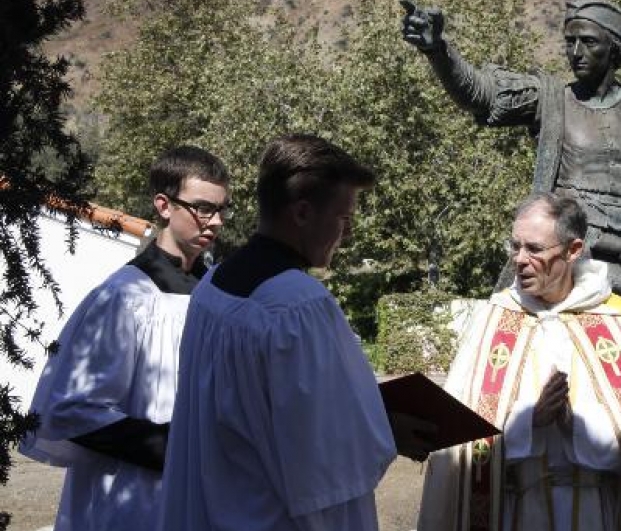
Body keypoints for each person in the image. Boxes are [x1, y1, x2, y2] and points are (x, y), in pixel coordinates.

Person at [401, 0, 621, 353]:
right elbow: (481, 94)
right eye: (569, 41)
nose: (575, 51)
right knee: (538, 373)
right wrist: (438, 50)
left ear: (615, 48)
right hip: (559, 264)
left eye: (588, 42)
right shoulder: (549, 98)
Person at [159, 134, 432, 531]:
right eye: (343, 218)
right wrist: (389, 429)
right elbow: (322, 461)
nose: (348, 234)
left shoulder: (213, 285)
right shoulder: (297, 305)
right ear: (302, 213)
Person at [418, 193, 621, 531]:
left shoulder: (618, 322)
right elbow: (457, 437)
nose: (519, 260)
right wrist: (528, 422)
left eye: (534, 249)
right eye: (515, 246)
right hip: (516, 513)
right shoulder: (492, 321)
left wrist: (575, 425)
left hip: (596, 513)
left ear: (573, 250)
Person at [19, 146, 231, 531]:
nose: (215, 222)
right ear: (164, 206)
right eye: (203, 208)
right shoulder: (124, 298)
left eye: (221, 210)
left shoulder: (217, 293)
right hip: (133, 502)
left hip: (206, 498)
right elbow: (70, 408)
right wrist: (176, 447)